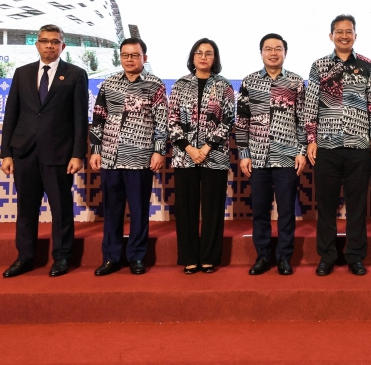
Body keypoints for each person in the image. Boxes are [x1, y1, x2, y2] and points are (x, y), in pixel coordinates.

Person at [0, 24, 88, 278]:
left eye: (55, 41)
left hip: (59, 154)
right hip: (24, 152)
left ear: (63, 46)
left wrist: (77, 154)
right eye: (44, 41)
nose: (49, 45)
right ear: (36, 44)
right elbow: (11, 115)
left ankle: (61, 257)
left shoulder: (75, 74)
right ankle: (24, 258)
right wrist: (7, 153)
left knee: (61, 208)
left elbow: (79, 118)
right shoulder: (22, 73)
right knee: (26, 209)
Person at [304, 15, 371, 276]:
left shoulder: (368, 65)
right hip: (327, 145)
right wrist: (311, 140)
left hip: (359, 146)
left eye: (349, 32)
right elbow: (310, 105)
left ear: (355, 36)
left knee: (357, 206)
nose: (344, 36)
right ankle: (327, 256)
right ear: (331, 36)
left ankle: (355, 256)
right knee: (325, 205)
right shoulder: (319, 66)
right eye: (339, 32)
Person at [89, 37, 168, 276]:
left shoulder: (155, 85)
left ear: (145, 57)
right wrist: (95, 150)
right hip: (110, 157)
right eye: (125, 55)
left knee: (139, 210)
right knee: (111, 210)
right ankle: (111, 257)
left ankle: (136, 257)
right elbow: (99, 118)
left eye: (135, 55)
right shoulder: (109, 83)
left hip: (141, 157)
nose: (130, 59)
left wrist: (159, 150)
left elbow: (161, 121)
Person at [236, 33, 307, 276]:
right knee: (260, 209)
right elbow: (242, 121)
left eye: (278, 48)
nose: (273, 53)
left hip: (287, 157)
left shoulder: (296, 83)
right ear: (261, 53)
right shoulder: (249, 82)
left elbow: (303, 121)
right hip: (257, 157)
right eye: (268, 49)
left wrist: (302, 152)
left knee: (287, 210)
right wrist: (244, 154)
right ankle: (263, 256)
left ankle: (284, 257)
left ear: (285, 53)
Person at [168, 38, 236, 274]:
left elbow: (228, 121)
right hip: (184, 156)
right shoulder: (179, 85)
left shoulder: (224, 86)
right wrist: (189, 148)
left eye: (208, 53)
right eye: (199, 53)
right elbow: (172, 121)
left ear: (214, 58)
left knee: (212, 208)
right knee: (185, 209)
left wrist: (206, 148)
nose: (203, 57)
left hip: (214, 156)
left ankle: (208, 257)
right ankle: (188, 257)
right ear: (192, 57)